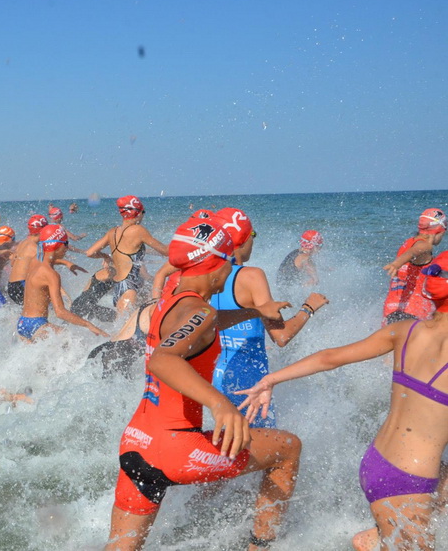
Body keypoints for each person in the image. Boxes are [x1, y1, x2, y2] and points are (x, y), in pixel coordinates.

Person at [106, 217, 299, 551]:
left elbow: (204, 325)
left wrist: (253, 311)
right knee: (288, 448)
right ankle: (260, 545)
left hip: (136, 442)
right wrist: (220, 404)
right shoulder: (200, 311)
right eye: (229, 262)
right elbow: (164, 359)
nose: (230, 271)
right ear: (216, 264)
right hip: (176, 449)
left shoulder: (170, 298)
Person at [237, 250, 448, 551]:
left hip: (380, 462)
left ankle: (373, 537)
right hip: (409, 480)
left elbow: (330, 358)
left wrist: (270, 380)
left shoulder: (405, 330)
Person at [210, 208, 329, 428]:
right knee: (265, 452)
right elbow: (282, 336)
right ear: (243, 240)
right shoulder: (252, 276)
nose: (253, 241)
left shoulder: (203, 274)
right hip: (249, 382)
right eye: (252, 235)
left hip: (216, 377)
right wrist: (308, 307)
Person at [17, 224, 107, 342]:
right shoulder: (51, 275)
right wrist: (89, 325)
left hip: (22, 323)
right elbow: (60, 312)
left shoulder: (35, 260)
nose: (67, 247)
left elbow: (50, 258)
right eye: (66, 243)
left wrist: (67, 263)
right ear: (57, 245)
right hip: (38, 325)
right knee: (74, 341)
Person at [85, 196, 169, 313]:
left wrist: (105, 256)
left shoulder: (112, 232)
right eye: (143, 212)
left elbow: (89, 252)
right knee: (128, 327)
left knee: (124, 325)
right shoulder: (138, 230)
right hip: (130, 289)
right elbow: (165, 251)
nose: (143, 215)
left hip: (119, 287)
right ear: (137, 213)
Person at [382, 208, 447, 325]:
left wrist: (397, 263)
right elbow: (416, 251)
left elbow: (411, 252)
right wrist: (396, 264)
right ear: (439, 230)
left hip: (391, 311)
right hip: (413, 313)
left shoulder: (408, 242)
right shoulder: (425, 246)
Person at [7, 214, 49, 305]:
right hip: (21, 286)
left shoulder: (23, 243)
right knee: (47, 306)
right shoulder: (35, 248)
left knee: (27, 311)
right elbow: (47, 272)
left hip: (11, 286)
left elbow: (12, 263)